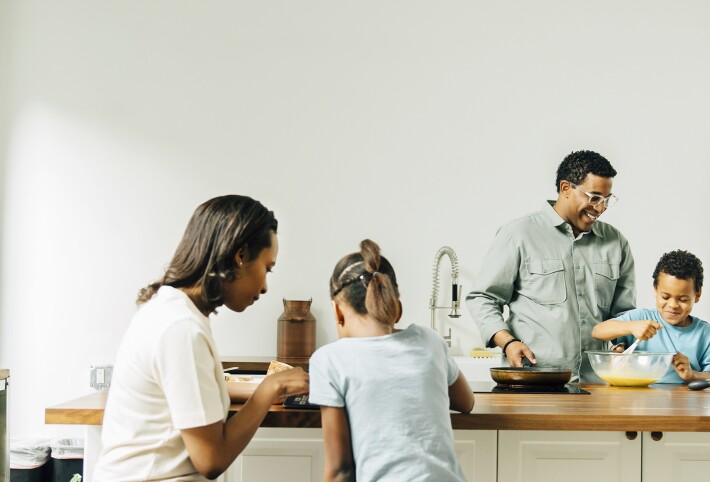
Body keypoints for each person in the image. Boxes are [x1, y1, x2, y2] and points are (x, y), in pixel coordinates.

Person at [94, 195, 309, 481]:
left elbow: (191, 395)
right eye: (267, 268)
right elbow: (211, 459)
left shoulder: (173, 311)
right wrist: (270, 387)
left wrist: (272, 387)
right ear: (240, 256)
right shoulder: (181, 329)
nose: (267, 286)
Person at [308, 239, 474, 481]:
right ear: (396, 304)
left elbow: (340, 471)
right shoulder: (430, 341)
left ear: (337, 311)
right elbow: (466, 402)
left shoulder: (329, 360)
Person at [467, 150, 636, 383]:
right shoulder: (518, 235)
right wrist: (508, 342)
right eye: (594, 197)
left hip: (598, 383)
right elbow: (482, 298)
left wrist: (621, 343)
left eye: (607, 199)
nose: (601, 208)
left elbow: (624, 313)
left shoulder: (615, 242)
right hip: (533, 380)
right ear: (566, 188)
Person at [592, 249, 710, 384]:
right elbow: (597, 331)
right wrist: (630, 327)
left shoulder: (704, 332)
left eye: (683, 299)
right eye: (665, 297)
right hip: (639, 401)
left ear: (697, 295)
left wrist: (692, 375)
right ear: (655, 290)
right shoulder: (640, 318)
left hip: (684, 402)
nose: (673, 305)